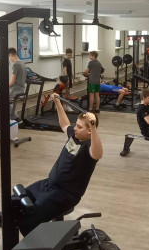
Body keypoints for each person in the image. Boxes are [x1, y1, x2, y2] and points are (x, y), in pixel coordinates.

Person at [19, 94, 102, 236]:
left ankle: (43, 244)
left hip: (64, 194)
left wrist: (93, 126)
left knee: (29, 220)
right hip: (48, 184)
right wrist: (57, 103)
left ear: (89, 131)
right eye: (76, 125)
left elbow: (98, 153)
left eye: (79, 127)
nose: (75, 128)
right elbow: (65, 124)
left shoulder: (89, 147)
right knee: (18, 200)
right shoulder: (74, 136)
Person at [8, 48, 26, 120]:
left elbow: (12, 82)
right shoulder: (22, 63)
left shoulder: (15, 65)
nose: (9, 59)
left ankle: (14, 117)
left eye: (9, 57)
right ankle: (15, 116)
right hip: (22, 88)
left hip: (15, 89)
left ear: (11, 55)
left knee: (1, 97)